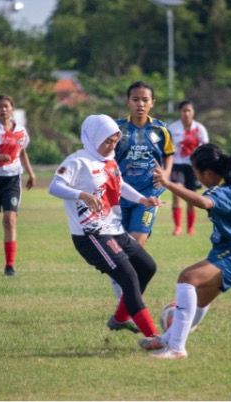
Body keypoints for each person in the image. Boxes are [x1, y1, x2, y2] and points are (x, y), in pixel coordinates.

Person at [137, 144, 231, 359]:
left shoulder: (223, 191)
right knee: (201, 297)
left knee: (187, 278)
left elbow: (203, 202)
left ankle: (176, 348)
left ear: (208, 173)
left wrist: (168, 184)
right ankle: (168, 338)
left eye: (196, 173)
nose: (197, 178)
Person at [49, 114, 162, 339]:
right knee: (128, 276)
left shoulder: (110, 161)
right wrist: (82, 195)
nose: (111, 145)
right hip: (91, 235)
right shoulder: (77, 161)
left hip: (114, 229)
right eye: (106, 141)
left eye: (114, 141)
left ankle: (120, 318)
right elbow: (55, 187)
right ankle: (154, 338)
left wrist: (143, 200)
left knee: (147, 267)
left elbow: (120, 185)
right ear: (92, 138)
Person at [0, 94, 36, 276]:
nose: (3, 110)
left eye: (6, 106)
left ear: (12, 109)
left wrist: (31, 173)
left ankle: (10, 266)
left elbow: (22, 152)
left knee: (9, 220)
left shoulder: (21, 131)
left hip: (11, 179)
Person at [115, 81, 174, 247]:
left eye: (145, 100)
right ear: (128, 102)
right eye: (135, 99)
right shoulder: (116, 128)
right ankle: (125, 273)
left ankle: (129, 272)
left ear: (152, 103)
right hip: (121, 192)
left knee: (135, 243)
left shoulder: (161, 130)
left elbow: (169, 154)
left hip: (149, 192)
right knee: (119, 245)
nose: (140, 104)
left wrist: (166, 173)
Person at [167, 100, 210, 236]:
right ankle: (177, 227)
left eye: (189, 110)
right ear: (180, 112)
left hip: (193, 166)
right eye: (184, 111)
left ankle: (190, 227)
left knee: (191, 197)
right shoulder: (173, 128)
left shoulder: (200, 129)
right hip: (177, 164)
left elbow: (205, 148)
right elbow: (167, 148)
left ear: (193, 112)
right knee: (177, 194)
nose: (186, 113)